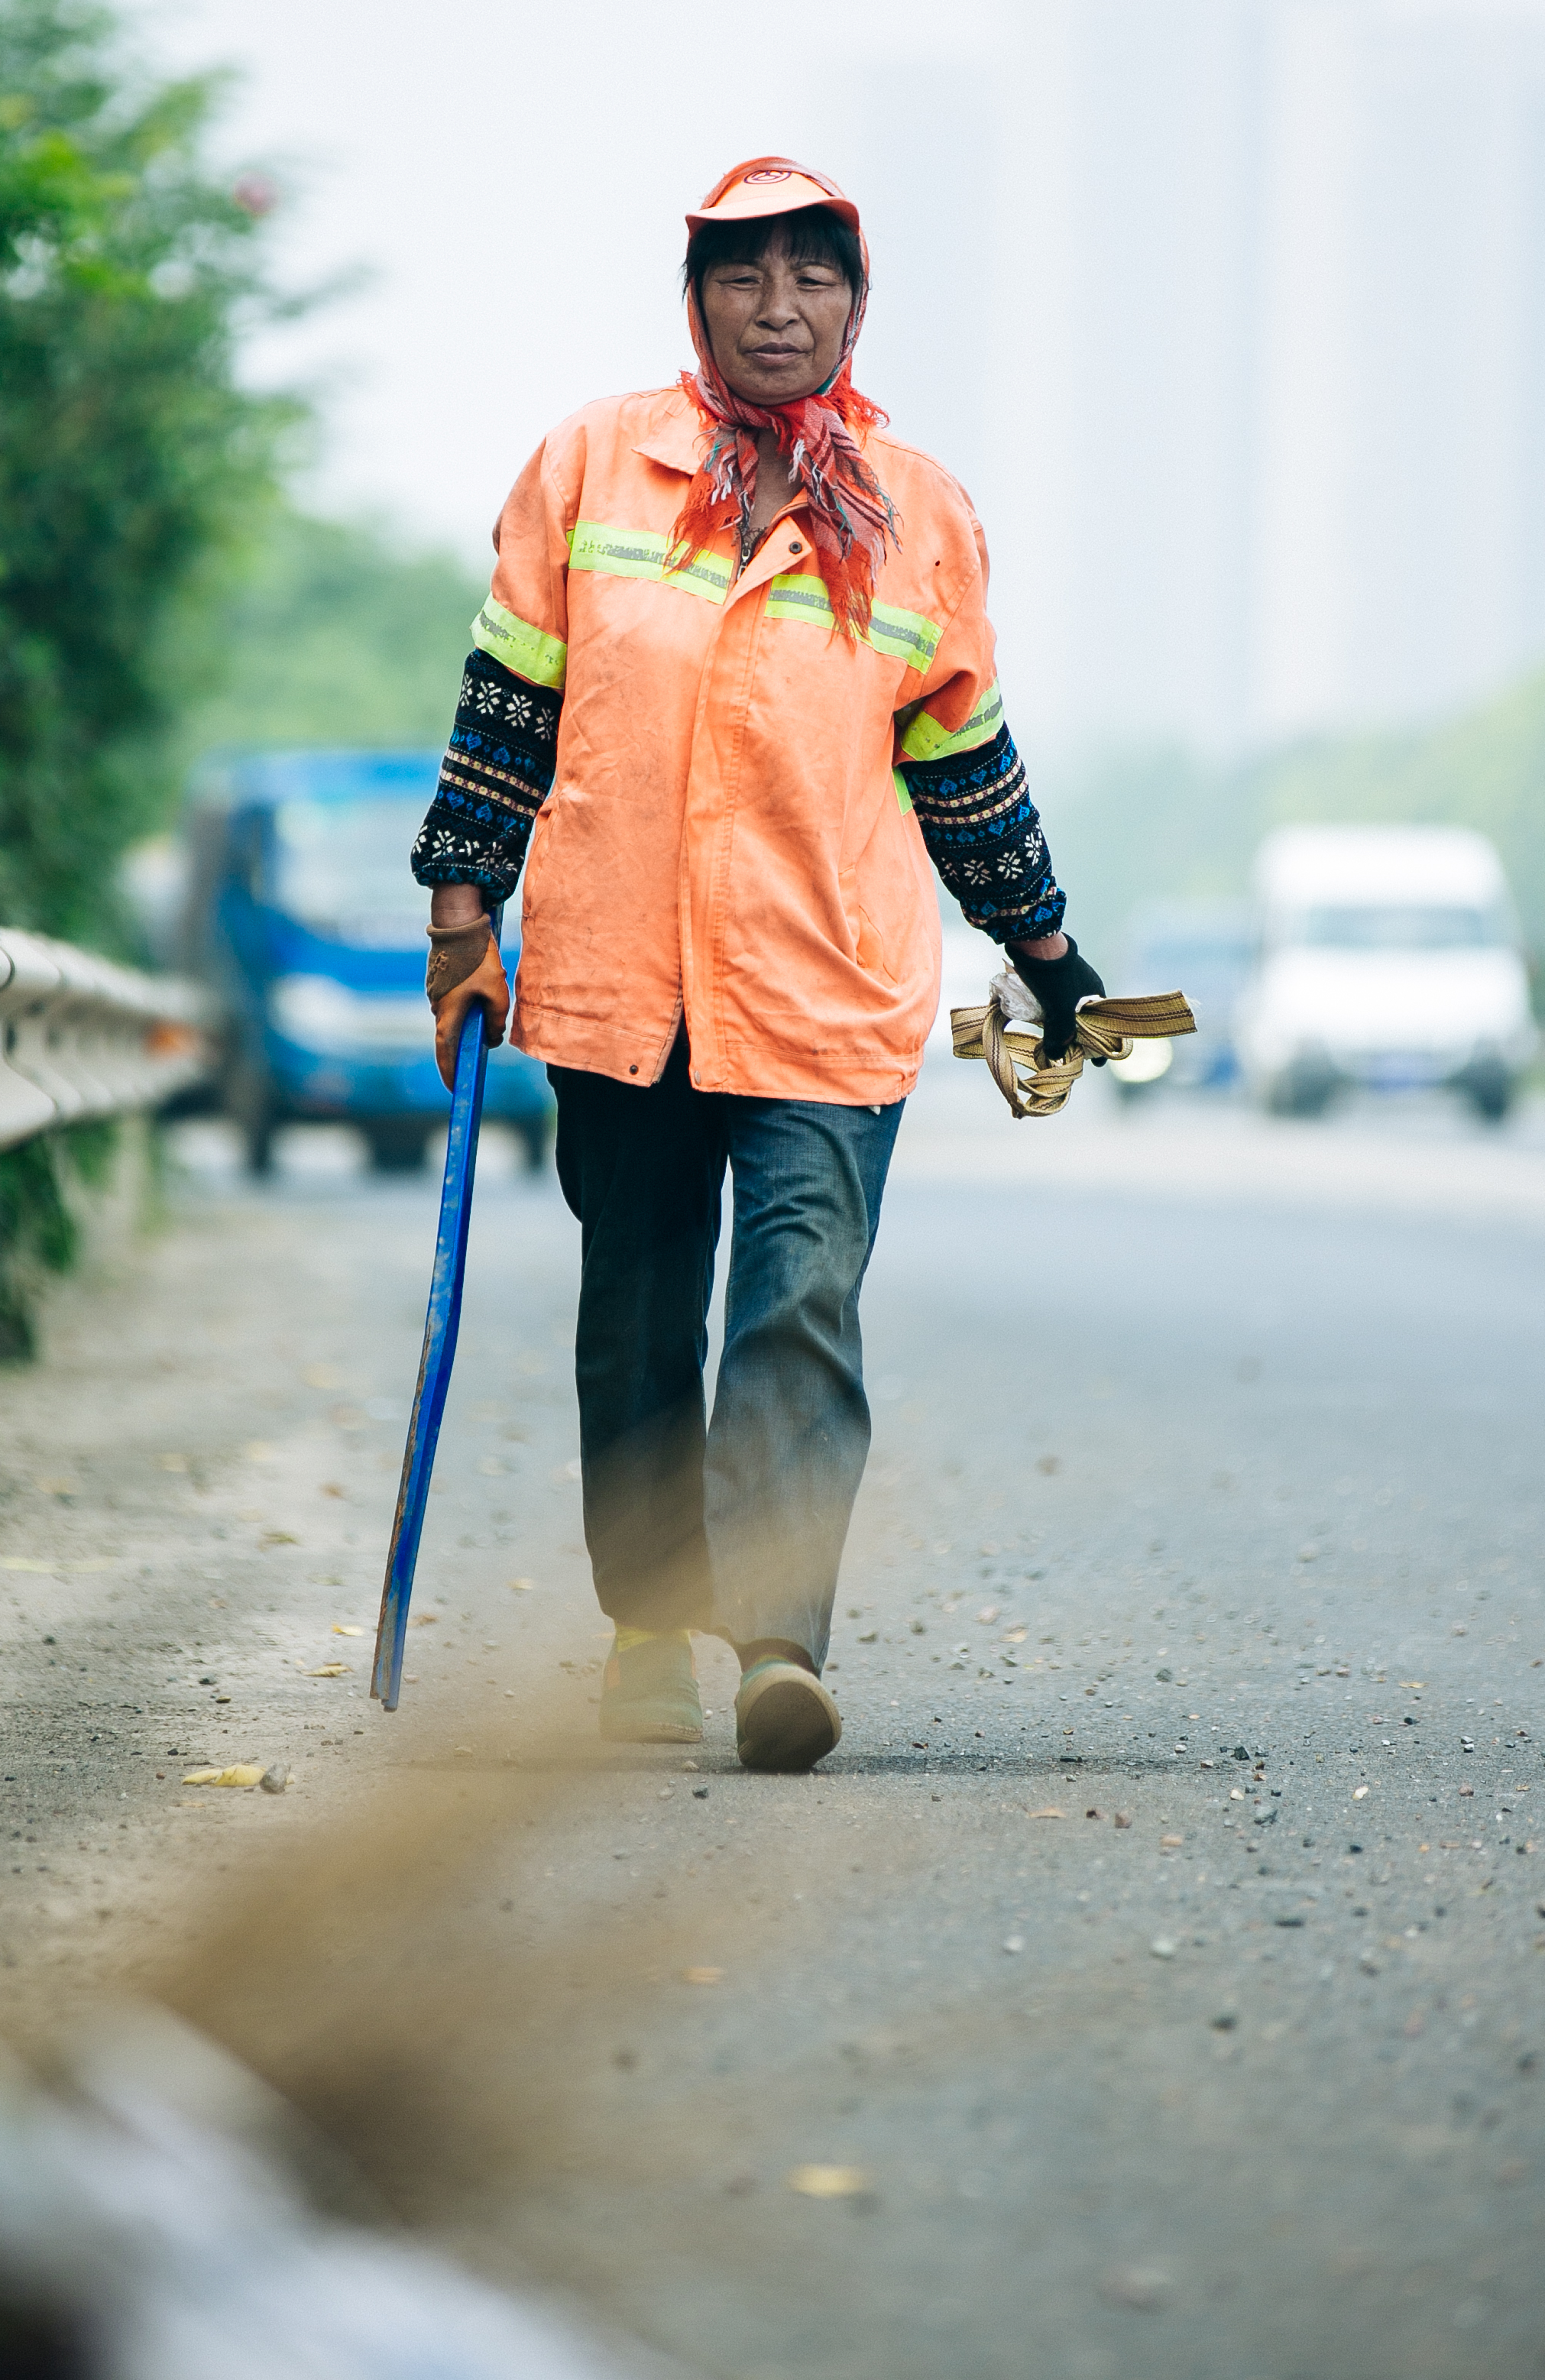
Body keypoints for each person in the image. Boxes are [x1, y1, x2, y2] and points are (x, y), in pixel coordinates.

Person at [410, 157, 1099, 1774]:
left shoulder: (919, 514)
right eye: (744, 277)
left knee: (798, 1297)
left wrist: (1051, 956)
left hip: (829, 979)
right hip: (622, 973)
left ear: (858, 305)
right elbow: (508, 707)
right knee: (641, 1310)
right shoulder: (592, 467)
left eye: (812, 279)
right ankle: (653, 1629)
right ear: (697, 299)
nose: (777, 308)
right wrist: (462, 918)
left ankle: (778, 1643)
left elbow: (964, 761)